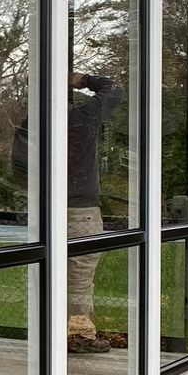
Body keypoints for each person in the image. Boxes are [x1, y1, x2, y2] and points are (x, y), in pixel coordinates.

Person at [68, 72, 124, 345]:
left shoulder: (33, 123)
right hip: (80, 211)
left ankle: (53, 334)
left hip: (44, 211)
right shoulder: (80, 119)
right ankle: (79, 336)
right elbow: (113, 88)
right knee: (79, 279)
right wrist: (83, 79)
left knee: (46, 273)